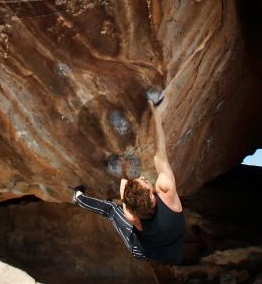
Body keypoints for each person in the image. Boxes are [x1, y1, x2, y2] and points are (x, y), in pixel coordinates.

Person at [72, 93, 185, 265]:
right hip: (168, 250)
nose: (144, 177)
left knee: (111, 209)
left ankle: (78, 198)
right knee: (112, 207)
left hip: (143, 250)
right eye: (144, 180)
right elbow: (160, 153)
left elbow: (124, 184)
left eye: (143, 180)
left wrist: (124, 165)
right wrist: (155, 112)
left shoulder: (132, 217)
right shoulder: (167, 191)